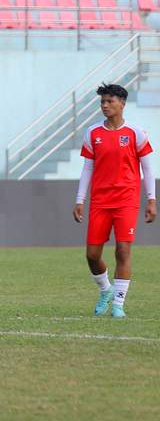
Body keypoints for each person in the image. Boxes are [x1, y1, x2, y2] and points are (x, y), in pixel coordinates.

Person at [73, 84, 156, 319]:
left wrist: (151, 199)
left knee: (122, 250)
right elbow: (87, 168)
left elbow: (148, 169)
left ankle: (119, 304)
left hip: (126, 200)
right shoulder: (92, 133)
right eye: (102, 102)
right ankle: (106, 290)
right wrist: (80, 199)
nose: (105, 106)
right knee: (91, 255)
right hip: (100, 201)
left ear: (122, 103)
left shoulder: (136, 133)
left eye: (109, 101)